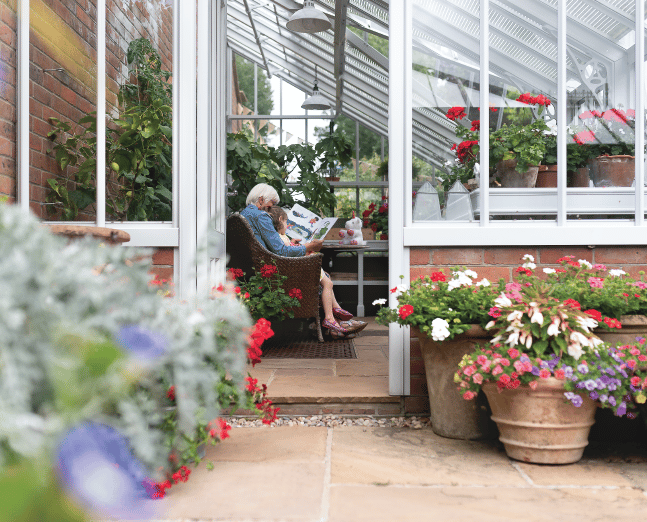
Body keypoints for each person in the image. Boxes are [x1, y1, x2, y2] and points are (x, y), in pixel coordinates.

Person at [267, 205, 367, 338]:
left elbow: (287, 251)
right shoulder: (282, 237)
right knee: (327, 283)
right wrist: (302, 246)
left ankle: (336, 328)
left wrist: (293, 243)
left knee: (326, 277)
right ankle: (333, 319)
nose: (287, 225)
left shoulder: (277, 238)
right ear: (280, 219)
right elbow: (289, 254)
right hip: (300, 274)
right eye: (286, 222)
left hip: (294, 272)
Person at [240, 183, 323, 258]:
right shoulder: (261, 216)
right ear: (261, 200)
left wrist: (290, 243)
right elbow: (281, 251)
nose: (271, 208)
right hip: (265, 262)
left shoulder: (244, 213)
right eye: (271, 204)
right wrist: (308, 246)